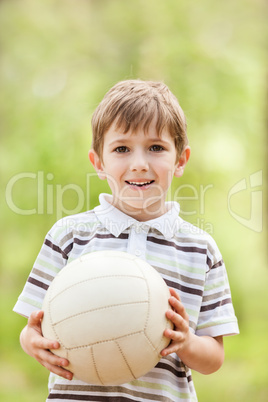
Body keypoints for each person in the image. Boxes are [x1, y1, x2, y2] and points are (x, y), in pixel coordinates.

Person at [14, 79, 239, 401]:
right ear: (99, 163)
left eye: (156, 148)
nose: (139, 163)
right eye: (122, 149)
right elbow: (31, 329)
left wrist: (187, 342)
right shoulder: (68, 236)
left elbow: (214, 358)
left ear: (181, 160)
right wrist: (33, 344)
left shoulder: (199, 250)